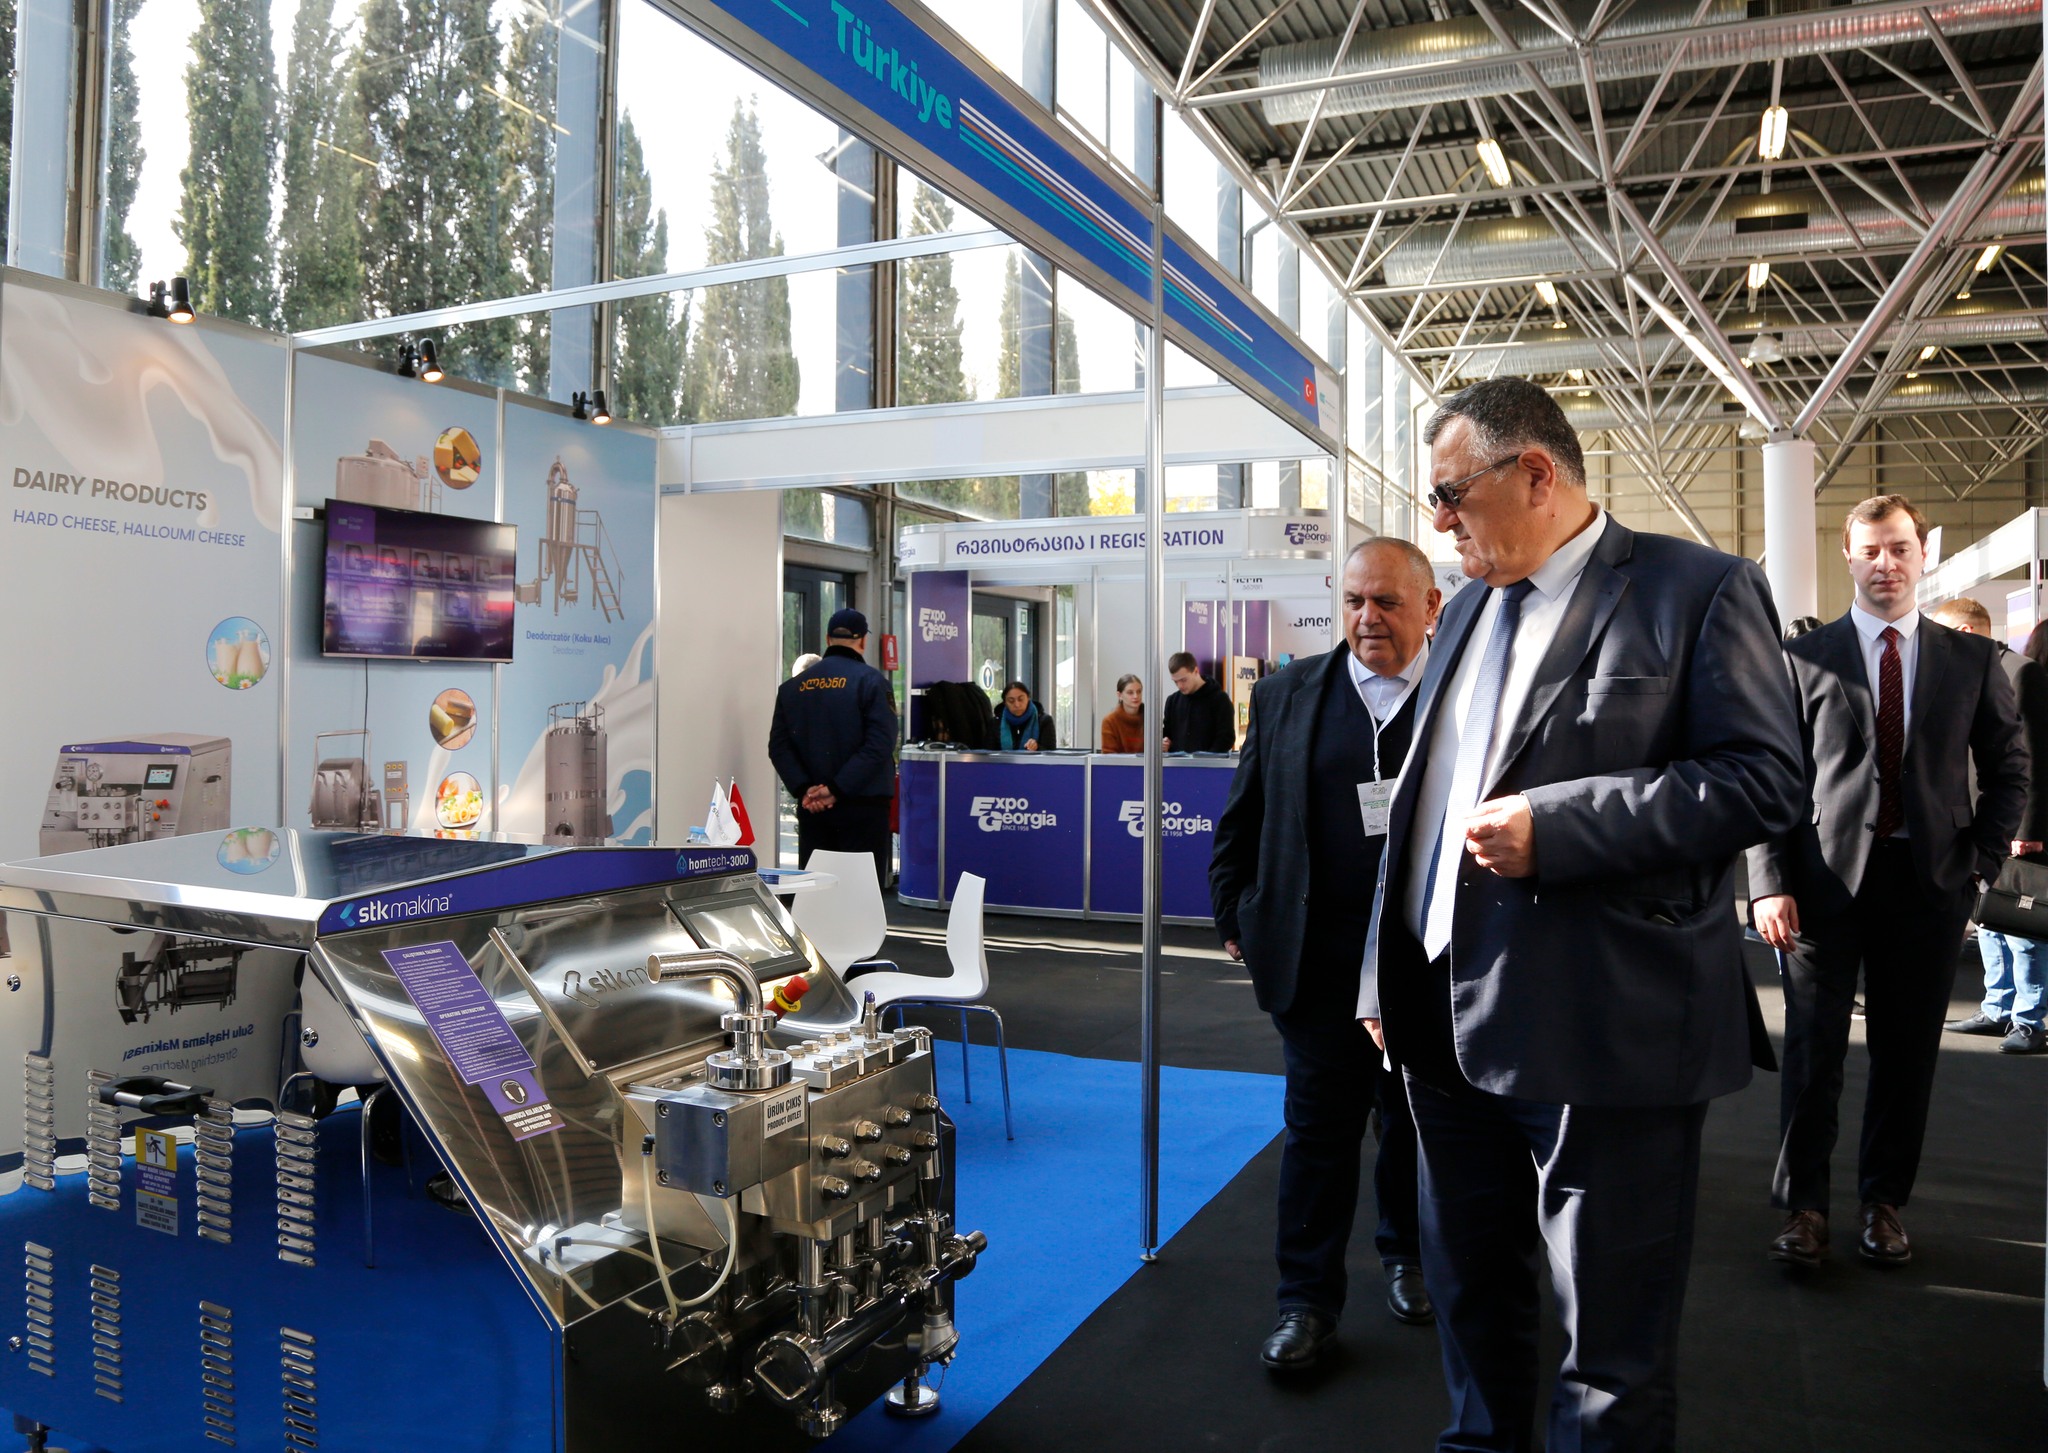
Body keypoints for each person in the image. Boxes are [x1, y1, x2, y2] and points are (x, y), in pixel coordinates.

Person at [1361, 377, 1803, 1453]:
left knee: (1606, 1356)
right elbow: (1423, 802)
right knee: (1472, 1309)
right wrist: (1383, 970)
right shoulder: (1466, 609)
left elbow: (1762, 780)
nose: (1438, 522)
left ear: (1535, 474)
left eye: (1450, 494)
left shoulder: (1696, 589)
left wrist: (1561, 827)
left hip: (1605, 1031)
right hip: (1444, 1031)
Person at [1749, 496, 2026, 1272]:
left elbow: (2010, 770)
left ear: (1923, 552)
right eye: (1871, 550)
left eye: (1900, 548)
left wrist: (1980, 865)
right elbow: (1772, 777)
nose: (1886, 564)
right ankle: (1804, 1208)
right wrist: (1767, 880)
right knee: (1812, 1055)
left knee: (1907, 1059)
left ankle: (1883, 1203)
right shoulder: (1802, 658)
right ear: (1848, 555)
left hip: (1929, 886)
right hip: (1820, 888)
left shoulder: (1972, 659)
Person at [1211, 537, 1442, 1374]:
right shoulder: (1287, 693)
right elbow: (1244, 814)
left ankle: (1408, 1256)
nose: (1367, 617)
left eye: (1386, 601)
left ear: (1430, 607)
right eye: (1353, 601)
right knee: (1318, 1134)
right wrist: (1235, 909)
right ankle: (1305, 1302)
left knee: (1413, 1122)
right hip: (1316, 963)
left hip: (1425, 962)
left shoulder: (1462, 693)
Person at [1930, 598, 2048, 1055]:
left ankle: (2029, 1020)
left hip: (2013, 826)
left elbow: (2034, 755)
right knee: (1989, 916)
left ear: (1964, 631)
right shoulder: (1961, 674)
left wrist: (2027, 827)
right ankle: (1998, 1007)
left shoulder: (2020, 672)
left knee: (2020, 920)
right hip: (1974, 820)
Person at [768, 607, 899, 888]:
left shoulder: (792, 688)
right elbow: (879, 744)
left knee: (816, 891)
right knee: (860, 892)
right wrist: (836, 789)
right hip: (864, 806)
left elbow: (778, 747)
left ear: (828, 639)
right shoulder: (872, 682)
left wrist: (806, 790)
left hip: (813, 809)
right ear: (862, 640)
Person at [1163, 652, 1236, 752]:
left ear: (1196, 671)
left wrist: (1207, 758)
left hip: (1207, 761)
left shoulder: (1220, 699)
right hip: (1177, 761)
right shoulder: (1172, 701)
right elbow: (1167, 734)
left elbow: (1226, 737)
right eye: (1175, 681)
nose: (1180, 686)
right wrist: (1164, 742)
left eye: (1183, 680)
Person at [997, 681, 1055, 751]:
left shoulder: (1044, 721)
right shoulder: (996, 723)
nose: (1017, 705)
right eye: (1011, 701)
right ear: (1005, 703)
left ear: (1028, 698)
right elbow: (989, 753)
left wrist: (1037, 747)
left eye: (1021, 699)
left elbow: (1051, 753)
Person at [1100, 674, 1147, 753]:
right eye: (1130, 693)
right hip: (1118, 761)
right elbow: (1109, 755)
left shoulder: (1150, 718)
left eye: (1139, 692)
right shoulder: (1110, 721)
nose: (1136, 696)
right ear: (1120, 695)